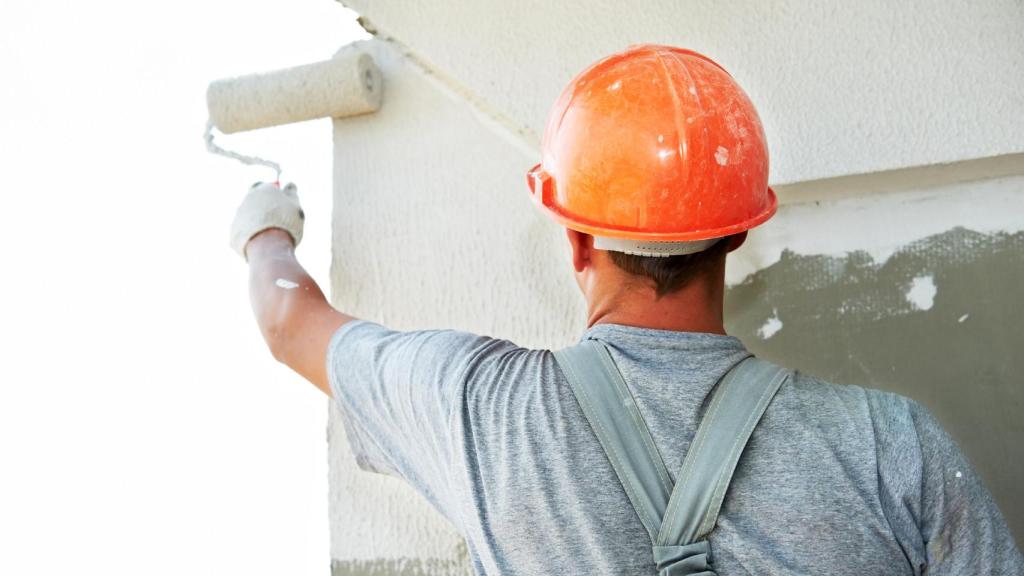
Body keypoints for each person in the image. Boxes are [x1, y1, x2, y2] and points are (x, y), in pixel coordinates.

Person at [229, 45, 1022, 575]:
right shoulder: (892, 446)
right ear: (738, 232)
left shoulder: (482, 411)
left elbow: (287, 321)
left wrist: (266, 225)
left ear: (577, 240)